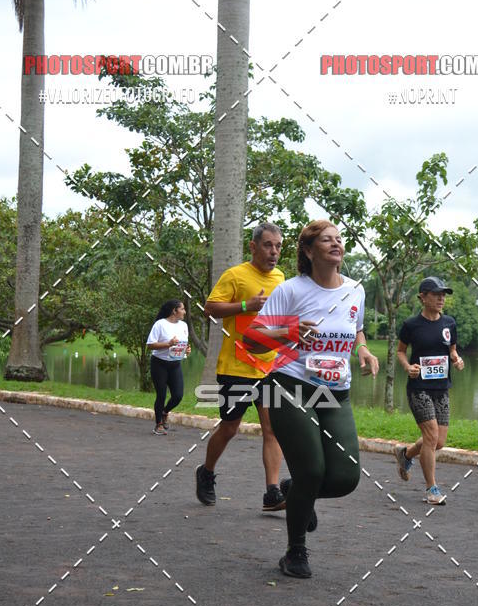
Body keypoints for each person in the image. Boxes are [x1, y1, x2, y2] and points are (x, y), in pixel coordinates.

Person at [248, 219, 379, 579]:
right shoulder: (291, 291)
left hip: (336, 392)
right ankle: (295, 551)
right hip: (289, 386)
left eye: (339, 239)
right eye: (326, 240)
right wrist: (288, 331)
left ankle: (294, 491)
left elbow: (356, 328)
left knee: (345, 477)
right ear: (308, 250)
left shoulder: (356, 290)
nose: (336, 244)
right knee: (312, 470)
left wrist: (364, 350)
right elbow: (252, 341)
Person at [195, 223, 287, 512]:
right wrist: (247, 304)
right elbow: (210, 308)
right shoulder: (235, 275)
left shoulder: (281, 278)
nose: (274, 252)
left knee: (272, 429)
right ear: (253, 246)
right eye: (268, 245)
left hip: (269, 367)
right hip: (236, 366)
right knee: (230, 427)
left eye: (278, 246)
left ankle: (272, 492)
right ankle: (206, 472)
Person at [395, 276, 464, 505]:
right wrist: (408, 367)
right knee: (431, 436)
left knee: (438, 441)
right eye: (436, 294)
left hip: (441, 388)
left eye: (443, 294)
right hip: (419, 387)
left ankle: (405, 454)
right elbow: (401, 352)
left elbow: (452, 350)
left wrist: (456, 359)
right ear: (422, 297)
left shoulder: (449, 323)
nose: (441, 298)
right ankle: (431, 489)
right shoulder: (411, 325)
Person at [146, 299, 191, 434]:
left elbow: (183, 344)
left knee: (178, 395)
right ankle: (158, 424)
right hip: (159, 363)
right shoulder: (160, 324)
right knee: (161, 395)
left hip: (175, 364)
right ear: (174, 311)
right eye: (182, 309)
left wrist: (187, 350)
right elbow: (150, 345)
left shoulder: (183, 325)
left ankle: (165, 412)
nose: (184, 311)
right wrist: (168, 344)